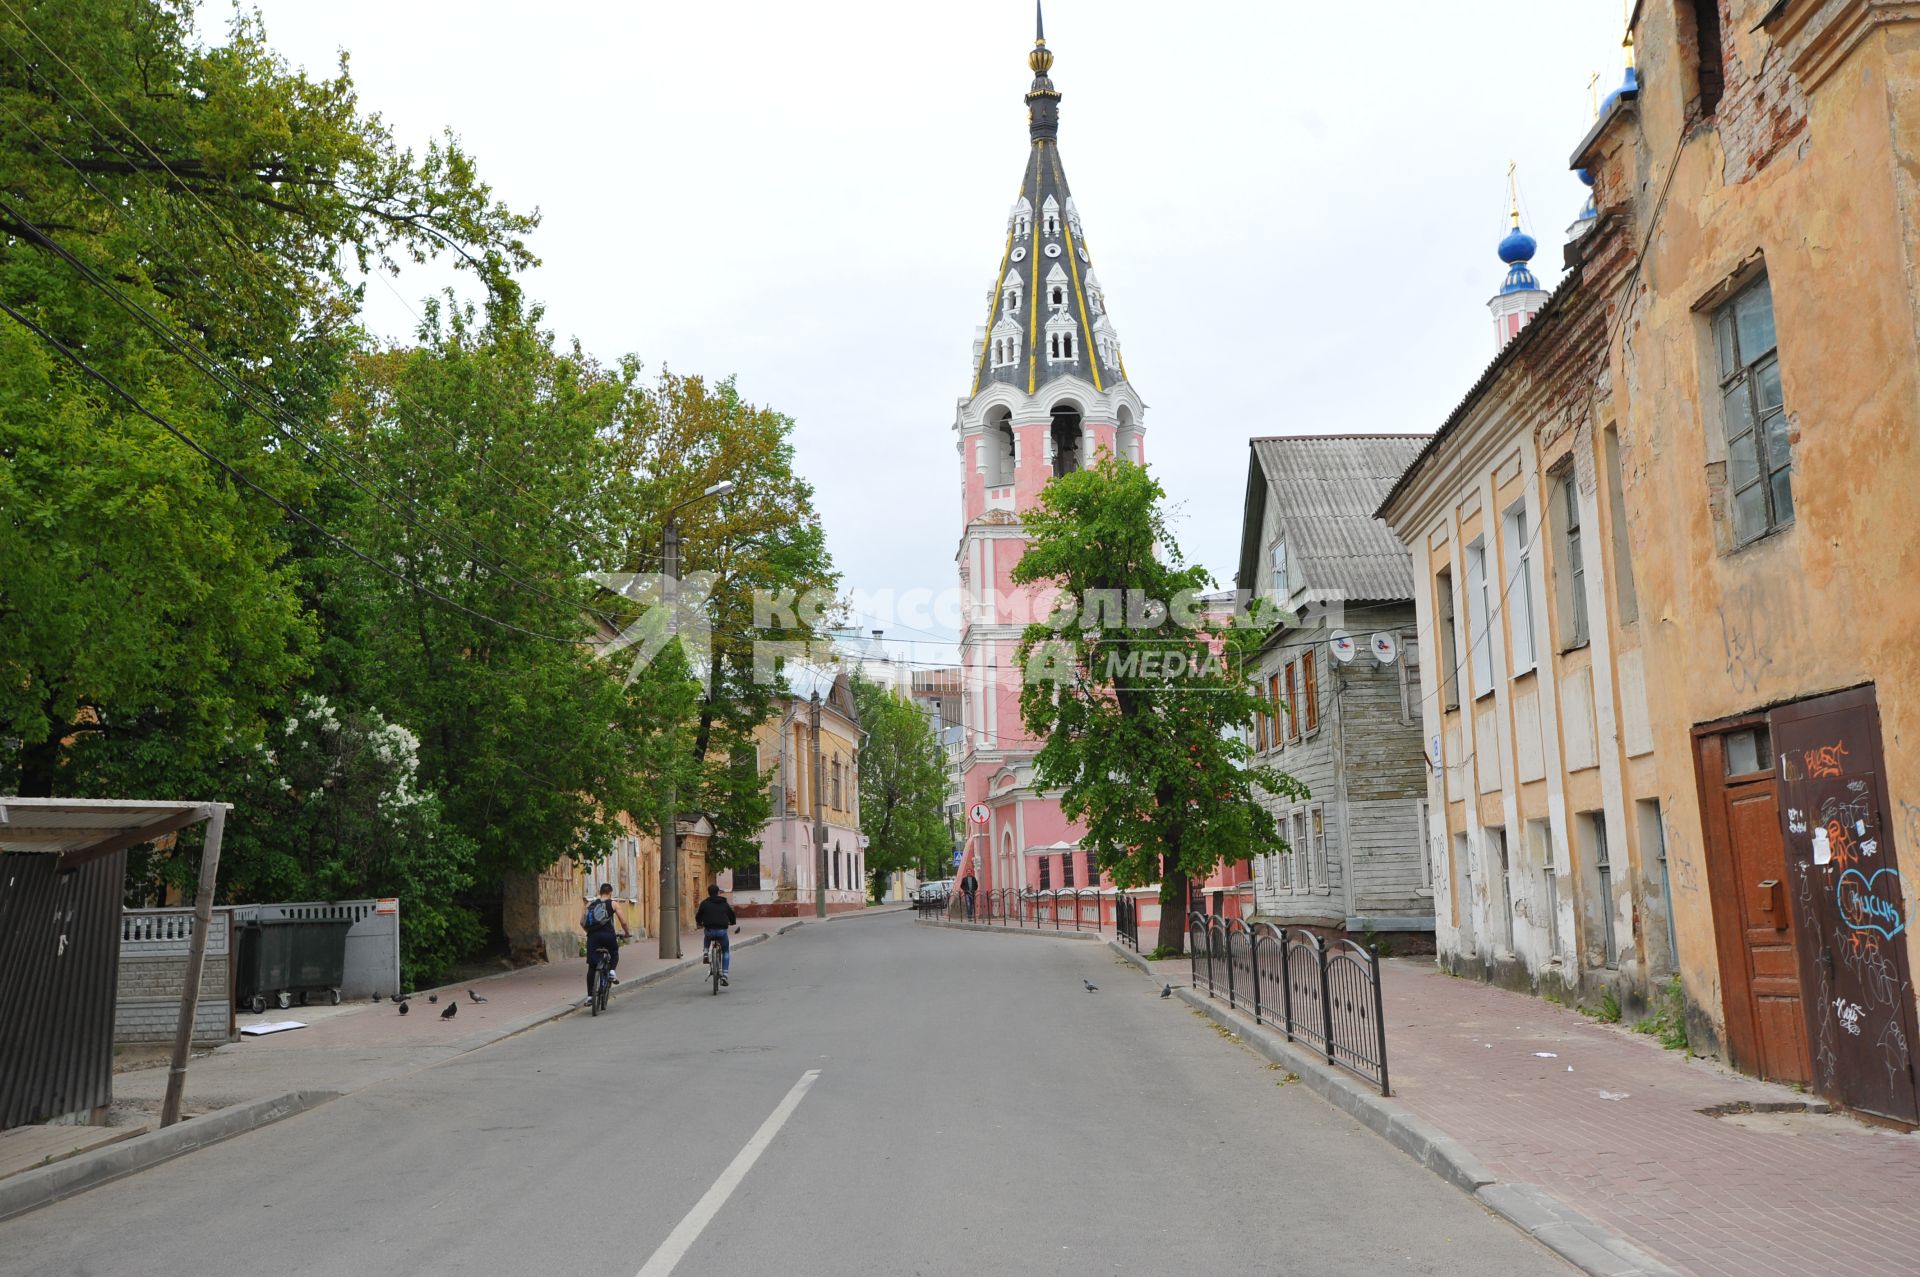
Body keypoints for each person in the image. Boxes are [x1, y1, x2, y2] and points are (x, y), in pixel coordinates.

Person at [582, 883, 629, 1005]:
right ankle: (612, 972)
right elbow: (623, 921)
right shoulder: (613, 903)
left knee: (592, 966)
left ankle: (590, 997)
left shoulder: (590, 904)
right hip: (608, 935)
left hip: (593, 937)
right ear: (610, 893)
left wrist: (589, 932)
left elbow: (582, 922)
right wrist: (627, 932)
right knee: (614, 953)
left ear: (600, 892)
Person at [694, 883, 738, 985]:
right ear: (718, 893)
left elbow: (699, 915)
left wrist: (700, 922)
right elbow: (731, 914)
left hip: (709, 930)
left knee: (707, 935)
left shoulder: (704, 903)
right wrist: (732, 922)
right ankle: (725, 975)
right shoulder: (724, 903)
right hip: (722, 931)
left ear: (709, 893)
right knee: (725, 951)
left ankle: (705, 952)